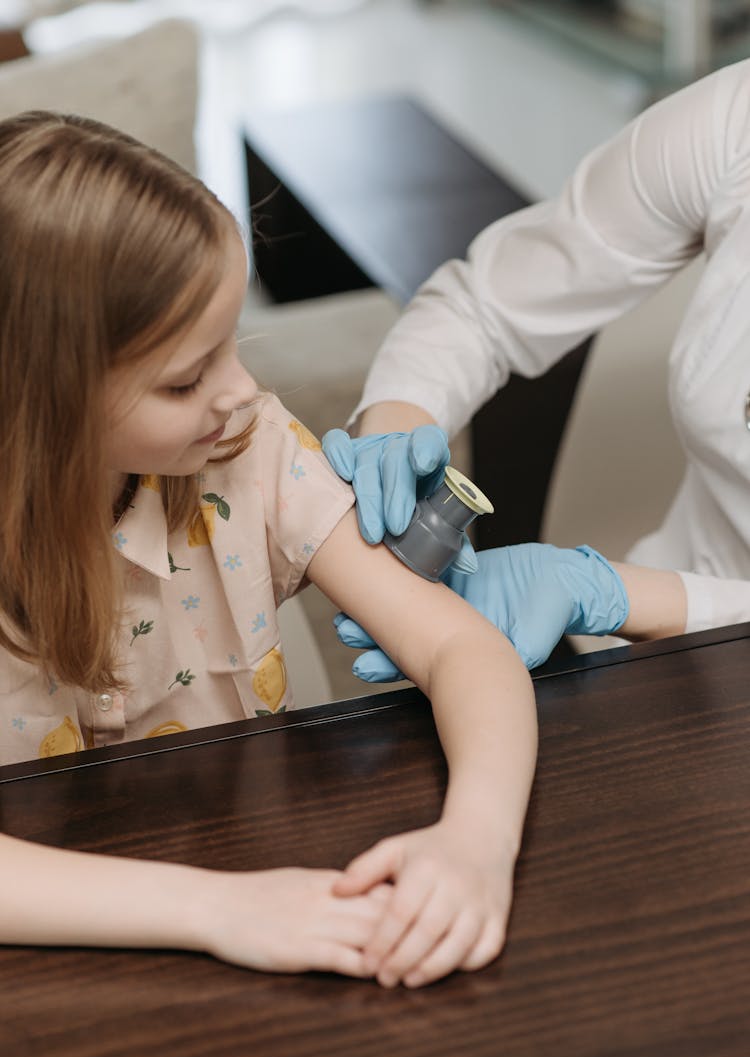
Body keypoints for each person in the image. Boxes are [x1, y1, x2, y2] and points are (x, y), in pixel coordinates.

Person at [0, 109, 558, 990]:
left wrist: (476, 843)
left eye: (231, 343)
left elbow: (461, 647)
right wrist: (219, 910)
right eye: (186, 378)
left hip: (260, 892)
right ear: (39, 405)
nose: (244, 389)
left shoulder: (245, 448)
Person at [323, 59, 750, 682]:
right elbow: (482, 308)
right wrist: (396, 430)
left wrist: (622, 596)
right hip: (653, 658)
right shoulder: (736, 118)